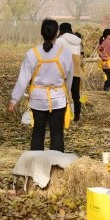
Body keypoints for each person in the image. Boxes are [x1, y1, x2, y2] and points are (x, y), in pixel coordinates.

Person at [8, 19, 74, 152]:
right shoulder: (65, 53)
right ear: (57, 33)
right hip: (58, 99)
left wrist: (14, 99)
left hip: (37, 100)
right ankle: (56, 166)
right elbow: (69, 78)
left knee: (38, 133)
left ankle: (36, 166)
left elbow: (23, 79)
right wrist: (67, 94)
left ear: (41, 33)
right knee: (57, 134)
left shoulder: (32, 53)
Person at [55, 22, 83, 121]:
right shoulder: (78, 41)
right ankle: (76, 116)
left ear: (61, 30)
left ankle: (62, 115)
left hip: (64, 71)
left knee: (61, 94)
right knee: (76, 95)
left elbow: (56, 56)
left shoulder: (59, 41)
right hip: (76, 70)